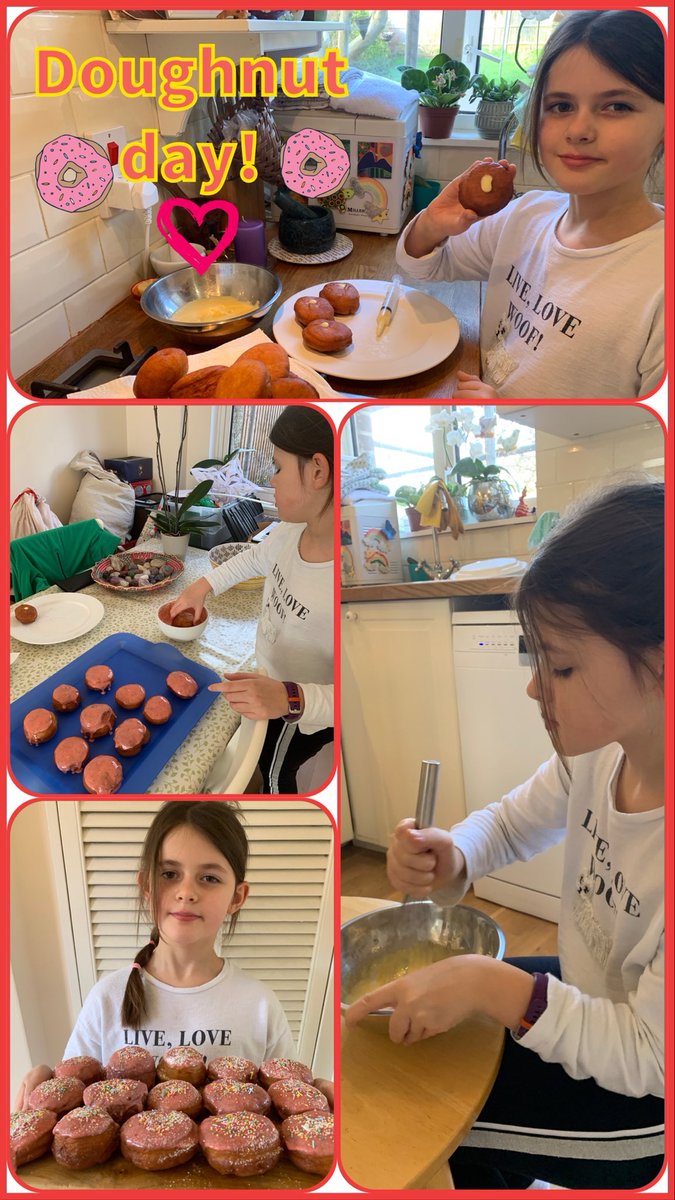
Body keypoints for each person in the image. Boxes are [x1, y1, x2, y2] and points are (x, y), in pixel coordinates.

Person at [345, 479, 664, 1189]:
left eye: (561, 664)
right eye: (534, 658)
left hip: (642, 1109)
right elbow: (510, 823)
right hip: (594, 998)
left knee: (425, 1124)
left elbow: (649, 1057)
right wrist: (453, 854)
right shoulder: (598, 755)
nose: (533, 688)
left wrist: (504, 993)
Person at [396, 10, 664, 400]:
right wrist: (432, 226)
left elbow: (646, 440)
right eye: (560, 106)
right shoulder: (527, 215)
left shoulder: (658, 284)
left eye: (617, 106)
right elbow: (421, 268)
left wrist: (509, 414)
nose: (578, 131)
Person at [16, 800, 332, 1109]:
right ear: (146, 885)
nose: (186, 892)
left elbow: (291, 1100)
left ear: (237, 897)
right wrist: (47, 1082)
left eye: (209, 878)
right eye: (169, 874)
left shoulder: (260, 1004)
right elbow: (72, 1096)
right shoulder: (106, 998)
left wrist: (321, 1095)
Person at [171, 405, 334, 794]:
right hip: (270, 679)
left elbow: (360, 697)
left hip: (300, 713)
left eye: (278, 468)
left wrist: (290, 699)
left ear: (317, 471)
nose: (272, 480)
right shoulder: (289, 531)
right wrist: (201, 587)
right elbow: (250, 558)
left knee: (274, 774)